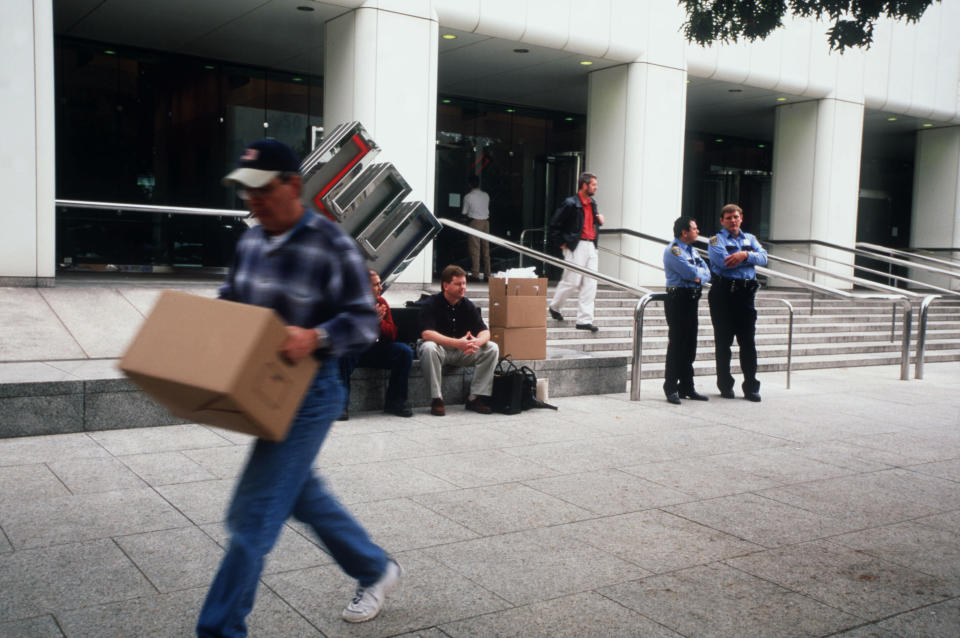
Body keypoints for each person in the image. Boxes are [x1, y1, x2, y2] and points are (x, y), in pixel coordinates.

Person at [197, 139, 401, 637]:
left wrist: (315, 335)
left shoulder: (331, 245)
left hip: (312, 393)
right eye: (246, 192)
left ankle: (219, 629)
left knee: (251, 517)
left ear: (292, 185)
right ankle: (374, 568)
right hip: (264, 388)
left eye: (261, 190)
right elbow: (231, 301)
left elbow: (363, 323)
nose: (253, 201)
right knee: (299, 493)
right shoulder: (250, 242)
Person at [418, 264, 499, 416]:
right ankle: (437, 399)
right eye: (458, 284)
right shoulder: (431, 303)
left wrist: (475, 343)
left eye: (464, 283)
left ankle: (474, 398)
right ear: (446, 285)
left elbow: (485, 332)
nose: (463, 287)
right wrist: (458, 343)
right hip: (439, 350)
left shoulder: (467, 305)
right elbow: (427, 334)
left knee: (492, 348)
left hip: (462, 351)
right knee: (428, 347)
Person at [707, 203, 768, 402]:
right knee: (723, 343)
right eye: (728, 218)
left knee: (748, 342)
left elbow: (764, 258)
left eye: (736, 217)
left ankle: (751, 387)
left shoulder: (750, 239)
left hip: (746, 294)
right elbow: (723, 262)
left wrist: (744, 255)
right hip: (724, 294)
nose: (733, 220)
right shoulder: (716, 240)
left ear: (741, 218)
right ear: (722, 221)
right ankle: (725, 385)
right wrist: (751, 258)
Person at [338, 270, 414, 419]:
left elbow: (392, 334)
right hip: (355, 348)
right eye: (376, 284)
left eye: (380, 284)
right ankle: (341, 406)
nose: (380, 288)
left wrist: (379, 323)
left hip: (375, 348)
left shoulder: (381, 303)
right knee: (343, 355)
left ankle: (395, 403)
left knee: (405, 352)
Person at [662, 217, 711, 405]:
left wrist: (698, 277)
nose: (697, 231)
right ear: (684, 232)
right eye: (694, 228)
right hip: (678, 299)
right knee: (677, 344)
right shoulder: (674, 250)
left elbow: (706, 272)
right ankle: (671, 387)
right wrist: (697, 276)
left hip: (692, 299)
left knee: (690, 345)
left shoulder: (691, 250)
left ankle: (687, 387)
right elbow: (690, 273)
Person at [547, 171, 604, 332]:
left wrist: (600, 220)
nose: (596, 187)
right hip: (576, 245)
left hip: (591, 246)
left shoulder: (592, 203)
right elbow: (554, 225)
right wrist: (562, 244)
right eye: (593, 184)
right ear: (584, 185)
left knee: (590, 283)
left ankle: (584, 320)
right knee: (571, 281)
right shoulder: (570, 203)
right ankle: (555, 306)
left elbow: (593, 222)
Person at [462, 174, 491, 281]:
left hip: (475, 222)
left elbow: (464, 212)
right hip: (486, 222)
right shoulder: (486, 195)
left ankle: (475, 274)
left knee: (475, 249)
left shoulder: (468, 196)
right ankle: (488, 274)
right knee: (486, 249)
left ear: (469, 184)